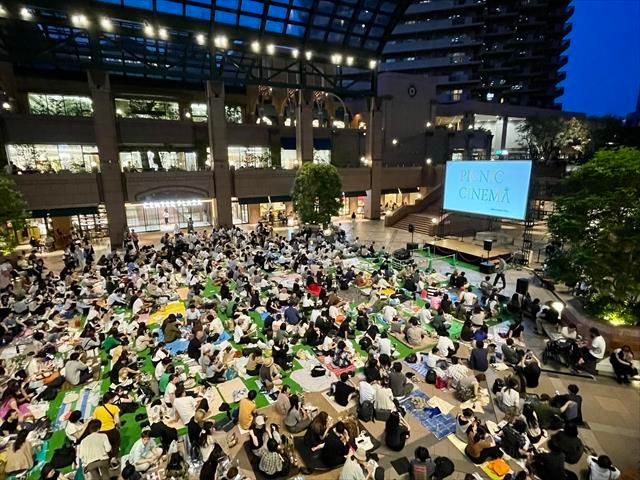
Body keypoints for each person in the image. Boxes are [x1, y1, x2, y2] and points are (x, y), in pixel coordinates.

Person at [93, 392, 120, 458]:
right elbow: (117, 421)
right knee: (115, 444)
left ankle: (109, 458)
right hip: (111, 430)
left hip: (101, 432)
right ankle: (114, 458)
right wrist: (118, 426)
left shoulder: (97, 409)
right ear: (110, 400)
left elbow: (94, 421)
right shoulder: (114, 408)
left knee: (106, 447)